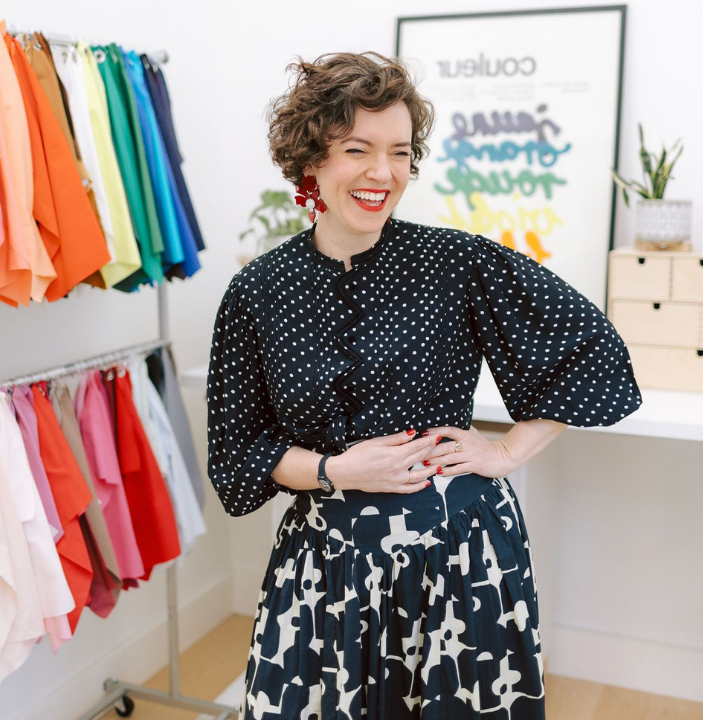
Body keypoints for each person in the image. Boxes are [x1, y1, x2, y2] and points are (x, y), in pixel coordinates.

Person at [207, 51, 642, 720]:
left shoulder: (455, 261)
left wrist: (507, 450)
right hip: (325, 569)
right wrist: (334, 469)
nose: (383, 173)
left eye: (400, 152)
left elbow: (592, 350)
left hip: (460, 559)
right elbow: (239, 454)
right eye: (358, 149)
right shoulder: (257, 291)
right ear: (311, 159)